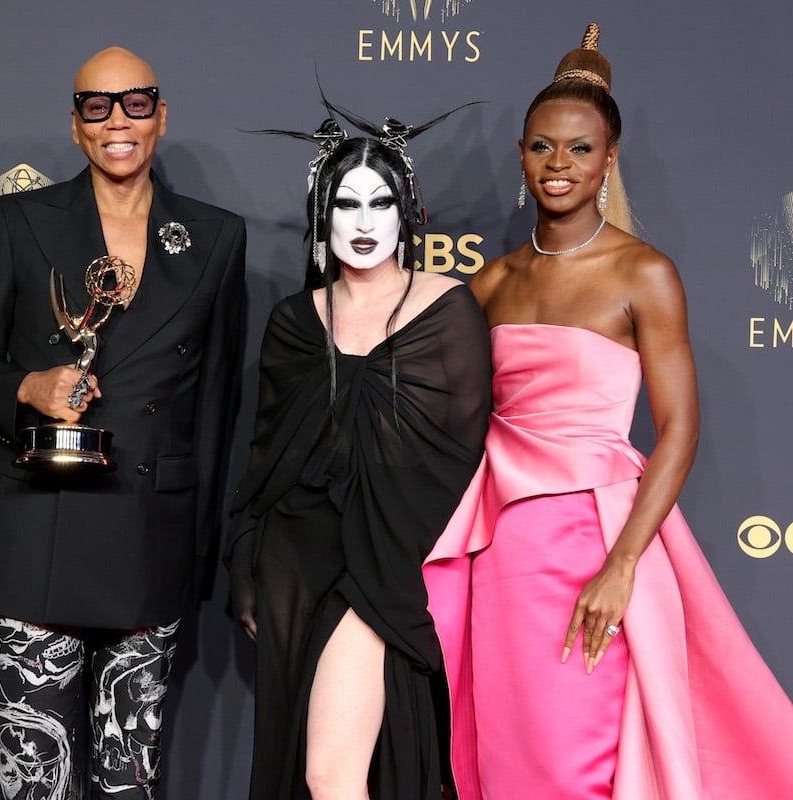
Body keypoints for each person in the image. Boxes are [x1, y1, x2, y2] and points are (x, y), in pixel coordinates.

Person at [422, 24, 793, 799]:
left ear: (609, 158)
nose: (559, 165)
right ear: (521, 156)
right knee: (507, 754)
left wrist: (622, 564)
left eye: (580, 149)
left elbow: (680, 429)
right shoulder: (489, 284)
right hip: (502, 549)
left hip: (597, 540)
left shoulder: (643, 273)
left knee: (576, 758)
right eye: (542, 147)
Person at [0, 46, 246, 798]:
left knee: (128, 782)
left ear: (161, 116)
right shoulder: (19, 220)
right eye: (97, 106)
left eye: (136, 104)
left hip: (152, 538)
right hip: (41, 531)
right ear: (76, 125)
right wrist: (30, 386)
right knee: (34, 780)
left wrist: (200, 549)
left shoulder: (216, 236)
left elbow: (216, 408)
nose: (118, 122)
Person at [227, 106, 491, 799]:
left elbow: (458, 458)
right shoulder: (293, 321)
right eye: (346, 204)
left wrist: (399, 560)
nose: (365, 222)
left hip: (383, 561)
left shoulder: (448, 309)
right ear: (322, 216)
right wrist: (245, 558)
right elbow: (264, 457)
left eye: (382, 203)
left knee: (330, 772)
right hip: (293, 559)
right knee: (296, 768)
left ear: (409, 214)